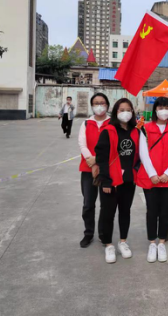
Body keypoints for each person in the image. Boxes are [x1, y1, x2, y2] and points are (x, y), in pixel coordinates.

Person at [94, 98, 140, 264]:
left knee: (125, 211)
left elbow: (140, 156)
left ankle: (123, 241)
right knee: (108, 213)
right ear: (115, 112)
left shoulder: (136, 132)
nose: (125, 113)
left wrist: (135, 172)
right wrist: (106, 181)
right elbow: (101, 158)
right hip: (111, 180)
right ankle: (108, 244)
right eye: (121, 110)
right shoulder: (108, 131)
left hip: (128, 180)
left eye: (128, 110)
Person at [138, 97, 168, 263]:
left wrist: (167, 174)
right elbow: (143, 152)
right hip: (150, 177)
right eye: (160, 107)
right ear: (155, 110)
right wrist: (152, 174)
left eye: (167, 107)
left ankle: (162, 242)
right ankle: (152, 242)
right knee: (152, 209)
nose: (164, 110)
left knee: (165, 209)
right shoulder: (145, 128)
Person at [77, 93, 110, 248]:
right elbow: (82, 144)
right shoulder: (86, 123)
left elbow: (113, 145)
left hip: (106, 169)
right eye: (96, 103)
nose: (99, 106)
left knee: (106, 204)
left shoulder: (112, 123)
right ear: (92, 105)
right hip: (87, 168)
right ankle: (88, 233)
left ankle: (103, 233)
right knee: (88, 204)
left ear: (107, 105)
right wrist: (91, 161)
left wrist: (98, 160)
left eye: (102, 103)